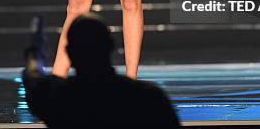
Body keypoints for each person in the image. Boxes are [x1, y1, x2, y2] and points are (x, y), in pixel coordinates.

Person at [23, 13, 180, 128]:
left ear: (69, 51)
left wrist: (35, 50)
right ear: (112, 46)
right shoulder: (148, 97)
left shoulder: (58, 97)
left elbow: (33, 77)